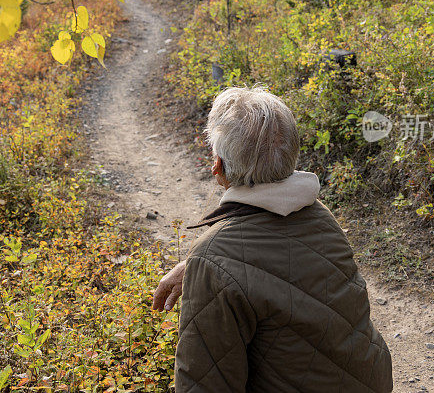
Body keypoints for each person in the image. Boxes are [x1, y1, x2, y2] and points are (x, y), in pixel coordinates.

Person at [152, 86, 393, 392]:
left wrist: (208, 264)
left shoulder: (215, 258)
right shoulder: (320, 216)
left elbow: (204, 385)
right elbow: (273, 259)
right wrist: (200, 266)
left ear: (217, 167)